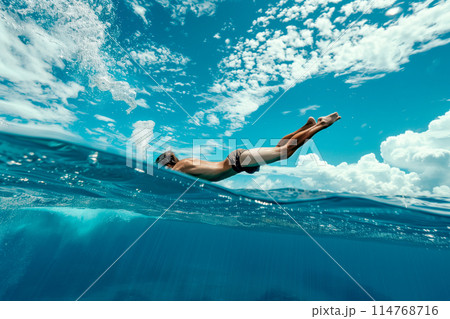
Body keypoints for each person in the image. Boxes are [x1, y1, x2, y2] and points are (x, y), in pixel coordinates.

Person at [155, 112, 341, 182]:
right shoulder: (186, 164)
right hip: (237, 161)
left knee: (283, 153)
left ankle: (321, 124)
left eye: (162, 168)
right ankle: (305, 127)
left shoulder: (179, 168)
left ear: (167, 165)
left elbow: (169, 182)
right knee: (280, 150)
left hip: (238, 162)